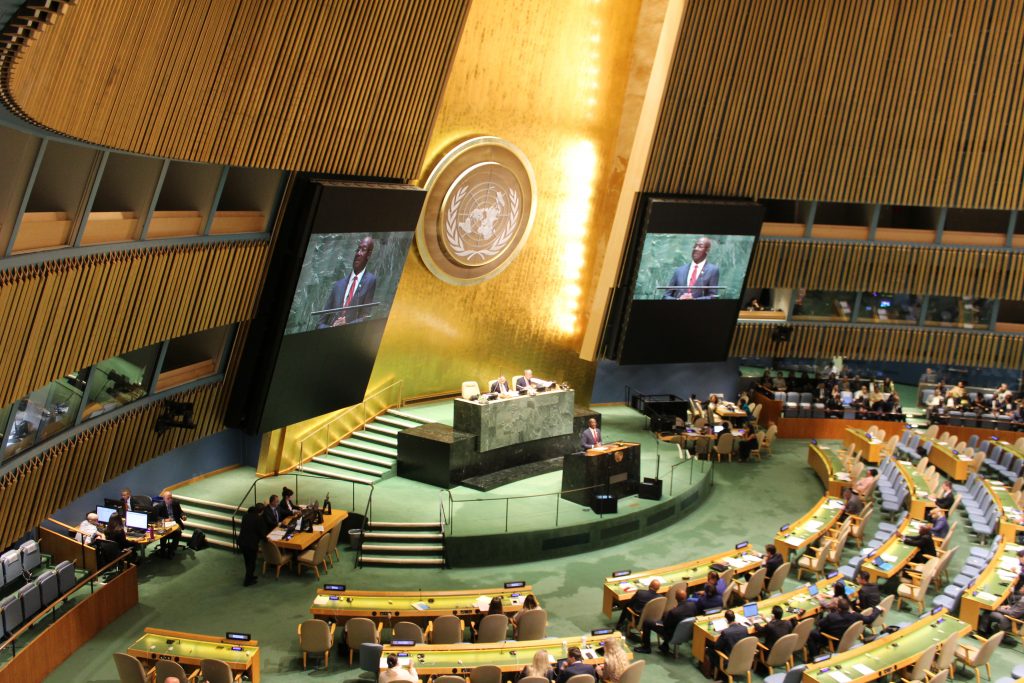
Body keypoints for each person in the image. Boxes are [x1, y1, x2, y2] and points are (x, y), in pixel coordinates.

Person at [318, 236, 377, 328]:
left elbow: (366, 317)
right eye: (357, 249)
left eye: (363, 250)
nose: (358, 253)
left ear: (369, 255)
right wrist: (331, 328)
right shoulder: (338, 285)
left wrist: (346, 325)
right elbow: (320, 323)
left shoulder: (370, 281)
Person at [635, 586, 697, 654]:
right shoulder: (693, 605)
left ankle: (646, 648)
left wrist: (668, 613)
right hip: (685, 633)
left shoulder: (674, 612)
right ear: (685, 596)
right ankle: (665, 646)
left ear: (676, 598)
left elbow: (665, 625)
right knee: (672, 623)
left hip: (671, 634)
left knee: (647, 622)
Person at [238, 503, 266, 587]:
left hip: (242, 542)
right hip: (251, 544)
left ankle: (250, 576)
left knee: (247, 561)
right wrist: (266, 539)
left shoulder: (246, 516)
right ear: (261, 511)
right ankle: (247, 581)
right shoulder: (258, 518)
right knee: (252, 562)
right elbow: (260, 532)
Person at [155, 489, 186, 558]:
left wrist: (183, 516)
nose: (170, 500)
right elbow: (157, 517)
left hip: (176, 523)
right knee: (163, 534)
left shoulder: (176, 503)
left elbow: (181, 512)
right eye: (168, 498)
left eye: (171, 497)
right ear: (164, 499)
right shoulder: (160, 506)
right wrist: (165, 520)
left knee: (178, 532)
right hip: (166, 525)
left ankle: (172, 550)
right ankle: (162, 550)